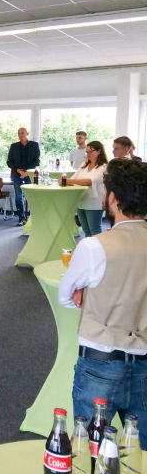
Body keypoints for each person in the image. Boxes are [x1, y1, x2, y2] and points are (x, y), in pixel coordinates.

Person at [59, 158, 147, 448]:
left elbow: (65, 297)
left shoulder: (93, 246)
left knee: (90, 452)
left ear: (112, 197)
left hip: (100, 362)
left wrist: (89, 293)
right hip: (144, 362)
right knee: (142, 456)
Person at [67, 140, 108, 237]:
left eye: (90, 152)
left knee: (94, 230)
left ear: (99, 151)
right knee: (86, 230)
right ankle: (88, 247)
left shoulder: (104, 166)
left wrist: (70, 181)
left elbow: (91, 181)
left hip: (94, 203)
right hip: (81, 201)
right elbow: (73, 178)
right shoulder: (84, 165)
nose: (88, 154)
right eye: (87, 152)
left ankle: (98, 247)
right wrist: (68, 181)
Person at [6, 127, 40, 226]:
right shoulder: (14, 146)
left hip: (29, 174)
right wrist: (18, 170)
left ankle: (33, 218)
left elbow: (37, 161)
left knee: (32, 196)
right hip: (17, 174)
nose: (20, 135)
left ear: (27, 133)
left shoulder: (34, 145)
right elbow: (9, 162)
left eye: (22, 133)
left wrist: (26, 172)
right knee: (18, 197)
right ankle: (21, 218)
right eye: (19, 133)